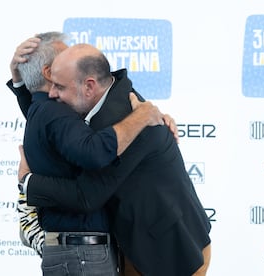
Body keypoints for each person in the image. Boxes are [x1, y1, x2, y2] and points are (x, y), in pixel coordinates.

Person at [18, 43, 212, 276]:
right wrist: (18, 79)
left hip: (171, 251)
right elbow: (51, 123)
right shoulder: (111, 104)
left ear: (89, 86)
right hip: (138, 245)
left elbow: (87, 195)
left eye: (59, 87)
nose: (52, 94)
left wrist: (29, 183)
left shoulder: (129, 122)